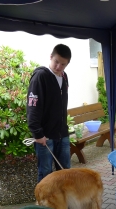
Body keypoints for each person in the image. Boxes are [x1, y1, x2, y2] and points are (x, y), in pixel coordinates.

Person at [27, 44, 72, 182]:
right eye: (56, 61)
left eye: (63, 64)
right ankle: (43, 203)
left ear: (67, 64)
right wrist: (38, 134)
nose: (58, 67)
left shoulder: (64, 77)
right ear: (51, 57)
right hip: (45, 137)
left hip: (62, 134)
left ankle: (64, 202)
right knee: (46, 174)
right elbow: (32, 107)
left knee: (65, 172)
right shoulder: (40, 76)